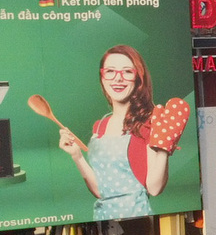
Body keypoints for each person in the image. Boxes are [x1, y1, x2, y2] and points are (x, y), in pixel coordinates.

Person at [55, 45, 189, 221]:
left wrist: (164, 145)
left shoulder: (148, 123)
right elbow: (100, 191)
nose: (118, 79)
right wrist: (77, 156)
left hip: (137, 220)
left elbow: (154, 188)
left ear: (138, 79)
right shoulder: (99, 126)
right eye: (110, 71)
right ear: (102, 77)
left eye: (127, 72)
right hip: (102, 218)